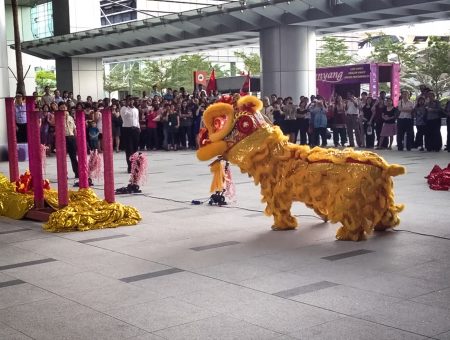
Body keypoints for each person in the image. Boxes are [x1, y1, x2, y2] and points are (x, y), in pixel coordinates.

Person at [120, 97, 140, 173]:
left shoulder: (136, 109)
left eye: (132, 100)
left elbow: (137, 119)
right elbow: (123, 115)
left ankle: (135, 166)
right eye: (129, 100)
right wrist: (126, 106)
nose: (131, 102)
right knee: (129, 149)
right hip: (127, 129)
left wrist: (138, 128)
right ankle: (130, 166)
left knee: (135, 149)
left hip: (135, 129)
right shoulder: (124, 109)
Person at [59, 102, 78, 179]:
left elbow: (74, 129)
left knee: (73, 156)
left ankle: (77, 173)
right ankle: (63, 174)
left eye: (64, 107)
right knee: (62, 157)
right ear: (59, 108)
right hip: (62, 137)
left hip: (71, 137)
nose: (63, 109)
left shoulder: (71, 117)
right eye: (61, 107)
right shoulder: (57, 117)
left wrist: (75, 138)